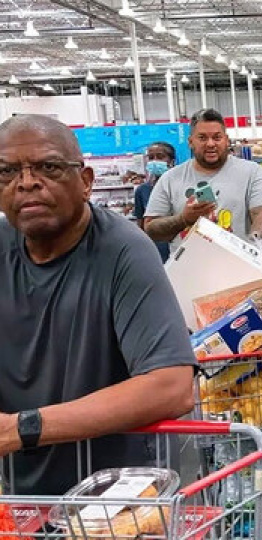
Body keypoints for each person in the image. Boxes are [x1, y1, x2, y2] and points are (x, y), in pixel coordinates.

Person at [0, 115, 196, 495]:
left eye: (49, 167)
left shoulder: (124, 251)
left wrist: (21, 428)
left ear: (86, 182)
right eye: (7, 172)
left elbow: (172, 387)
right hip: (25, 493)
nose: (26, 183)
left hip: (121, 497)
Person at [144, 108, 262, 251]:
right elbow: (151, 228)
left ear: (226, 140)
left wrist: (250, 248)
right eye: (202, 138)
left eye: (216, 137)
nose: (210, 144)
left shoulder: (252, 172)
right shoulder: (170, 179)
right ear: (190, 142)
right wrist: (183, 219)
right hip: (188, 270)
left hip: (239, 268)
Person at [133, 141, 176, 262]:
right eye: (151, 158)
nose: (155, 161)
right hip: (155, 251)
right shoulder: (142, 191)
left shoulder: (180, 186)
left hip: (179, 247)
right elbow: (141, 225)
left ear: (171, 161)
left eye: (160, 157)